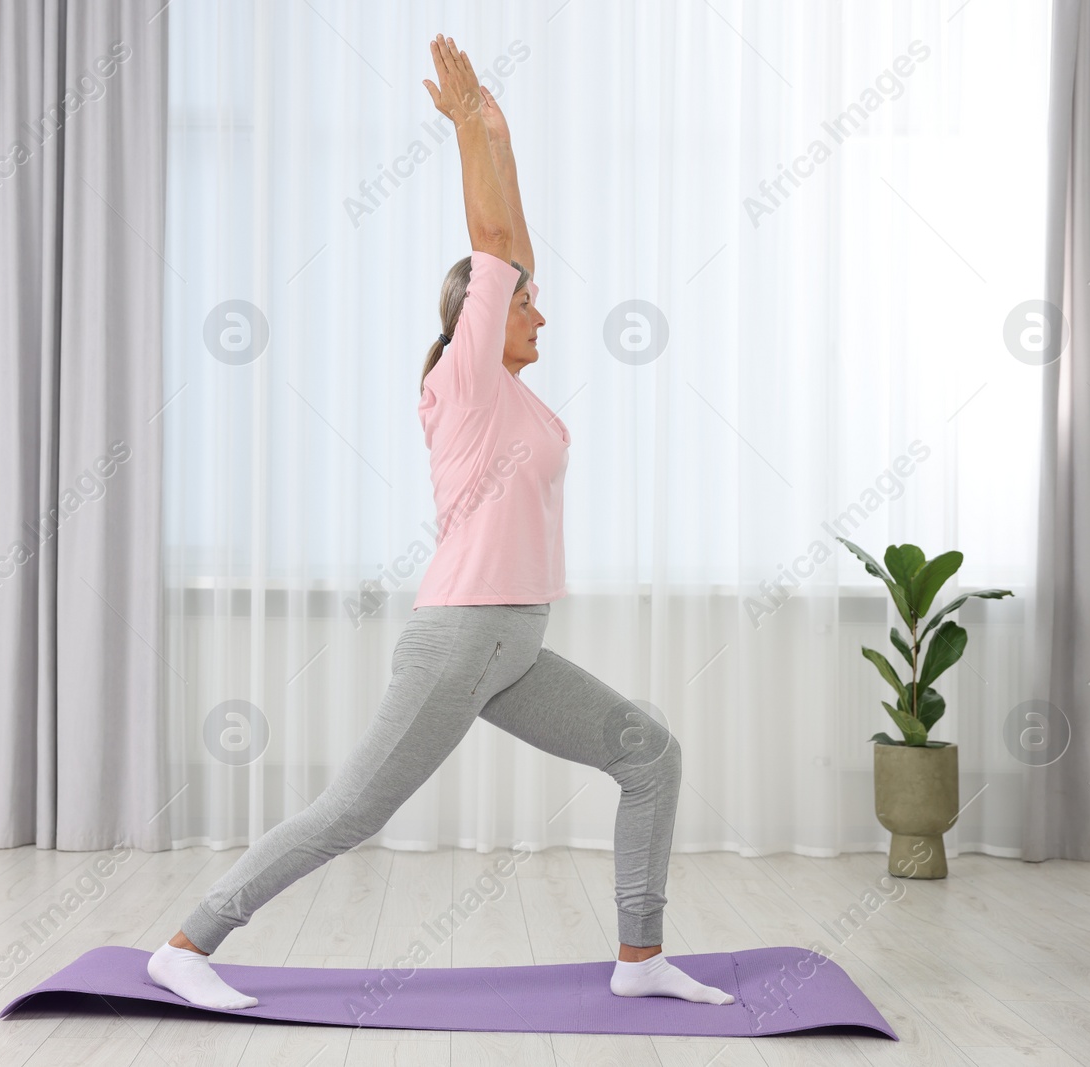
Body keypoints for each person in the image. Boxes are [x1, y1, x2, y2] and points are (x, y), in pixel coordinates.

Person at [147, 34, 734, 1013]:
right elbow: (498, 249)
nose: (541, 317)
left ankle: (639, 957)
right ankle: (187, 940)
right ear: (480, 318)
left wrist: (498, 133)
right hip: (462, 634)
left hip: (514, 643)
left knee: (648, 752)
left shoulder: (515, 396)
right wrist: (466, 137)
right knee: (352, 810)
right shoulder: (462, 382)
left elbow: (516, 247)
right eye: (526, 307)